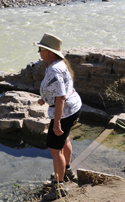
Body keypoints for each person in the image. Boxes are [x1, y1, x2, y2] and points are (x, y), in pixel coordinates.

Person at [33, 33, 82, 200]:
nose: (39, 52)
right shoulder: (61, 64)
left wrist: (56, 123)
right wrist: (45, 98)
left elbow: (60, 97)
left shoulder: (54, 69)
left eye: (41, 49)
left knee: (55, 150)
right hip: (74, 106)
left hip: (64, 112)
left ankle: (59, 188)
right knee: (65, 139)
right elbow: (60, 89)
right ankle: (67, 171)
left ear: (49, 52)